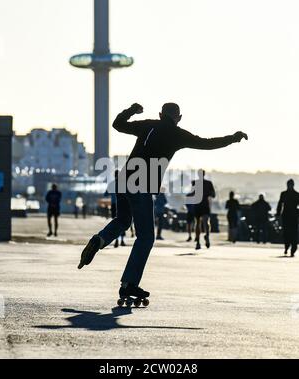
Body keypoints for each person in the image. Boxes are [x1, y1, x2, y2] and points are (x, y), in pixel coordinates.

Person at [78, 102, 248, 300]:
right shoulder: (178, 134)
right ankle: (129, 284)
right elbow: (207, 143)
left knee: (123, 221)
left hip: (123, 181)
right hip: (141, 186)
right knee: (146, 237)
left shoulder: (147, 125)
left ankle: (99, 240)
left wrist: (132, 110)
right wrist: (234, 138)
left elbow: (117, 124)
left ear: (160, 114)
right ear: (179, 117)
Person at [276, 179, 299, 257]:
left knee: (289, 233)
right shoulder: (296, 194)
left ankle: (290, 248)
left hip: (288, 216)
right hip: (292, 216)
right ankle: (290, 248)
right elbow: (280, 204)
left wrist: (278, 213)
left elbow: (280, 204)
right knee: (291, 233)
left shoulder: (284, 194)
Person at [194, 170, 216, 250]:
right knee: (206, 222)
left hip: (197, 205)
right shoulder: (208, 183)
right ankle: (207, 236)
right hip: (205, 205)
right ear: (204, 174)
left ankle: (198, 242)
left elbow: (192, 194)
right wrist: (208, 193)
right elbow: (213, 195)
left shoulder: (195, 183)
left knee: (197, 223)